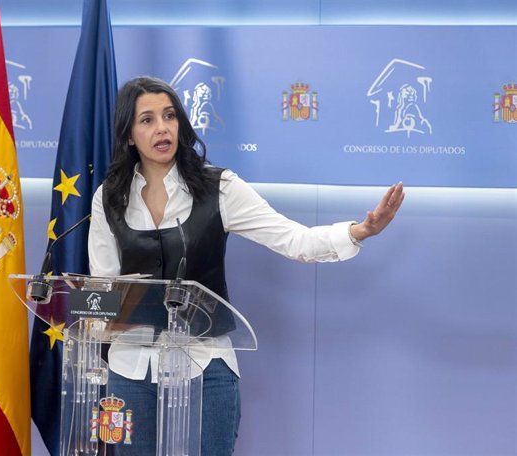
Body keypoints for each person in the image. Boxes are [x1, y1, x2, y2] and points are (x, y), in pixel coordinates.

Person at [88, 76, 405, 456]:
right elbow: (102, 288)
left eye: (169, 116)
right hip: (130, 369)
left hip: (204, 364)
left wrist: (360, 231)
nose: (162, 128)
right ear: (128, 135)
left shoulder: (218, 187)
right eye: (147, 120)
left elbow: (295, 240)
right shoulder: (109, 198)